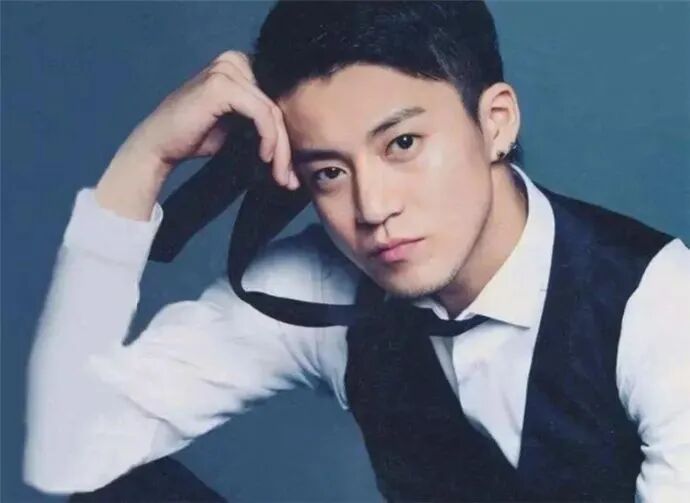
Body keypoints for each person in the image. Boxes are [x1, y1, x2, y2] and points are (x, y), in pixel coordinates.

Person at [23, 1, 689, 501]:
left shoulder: (658, 304)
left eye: (402, 144)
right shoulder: (316, 283)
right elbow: (69, 452)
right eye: (329, 172)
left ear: (496, 123)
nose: (372, 208)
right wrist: (142, 162)